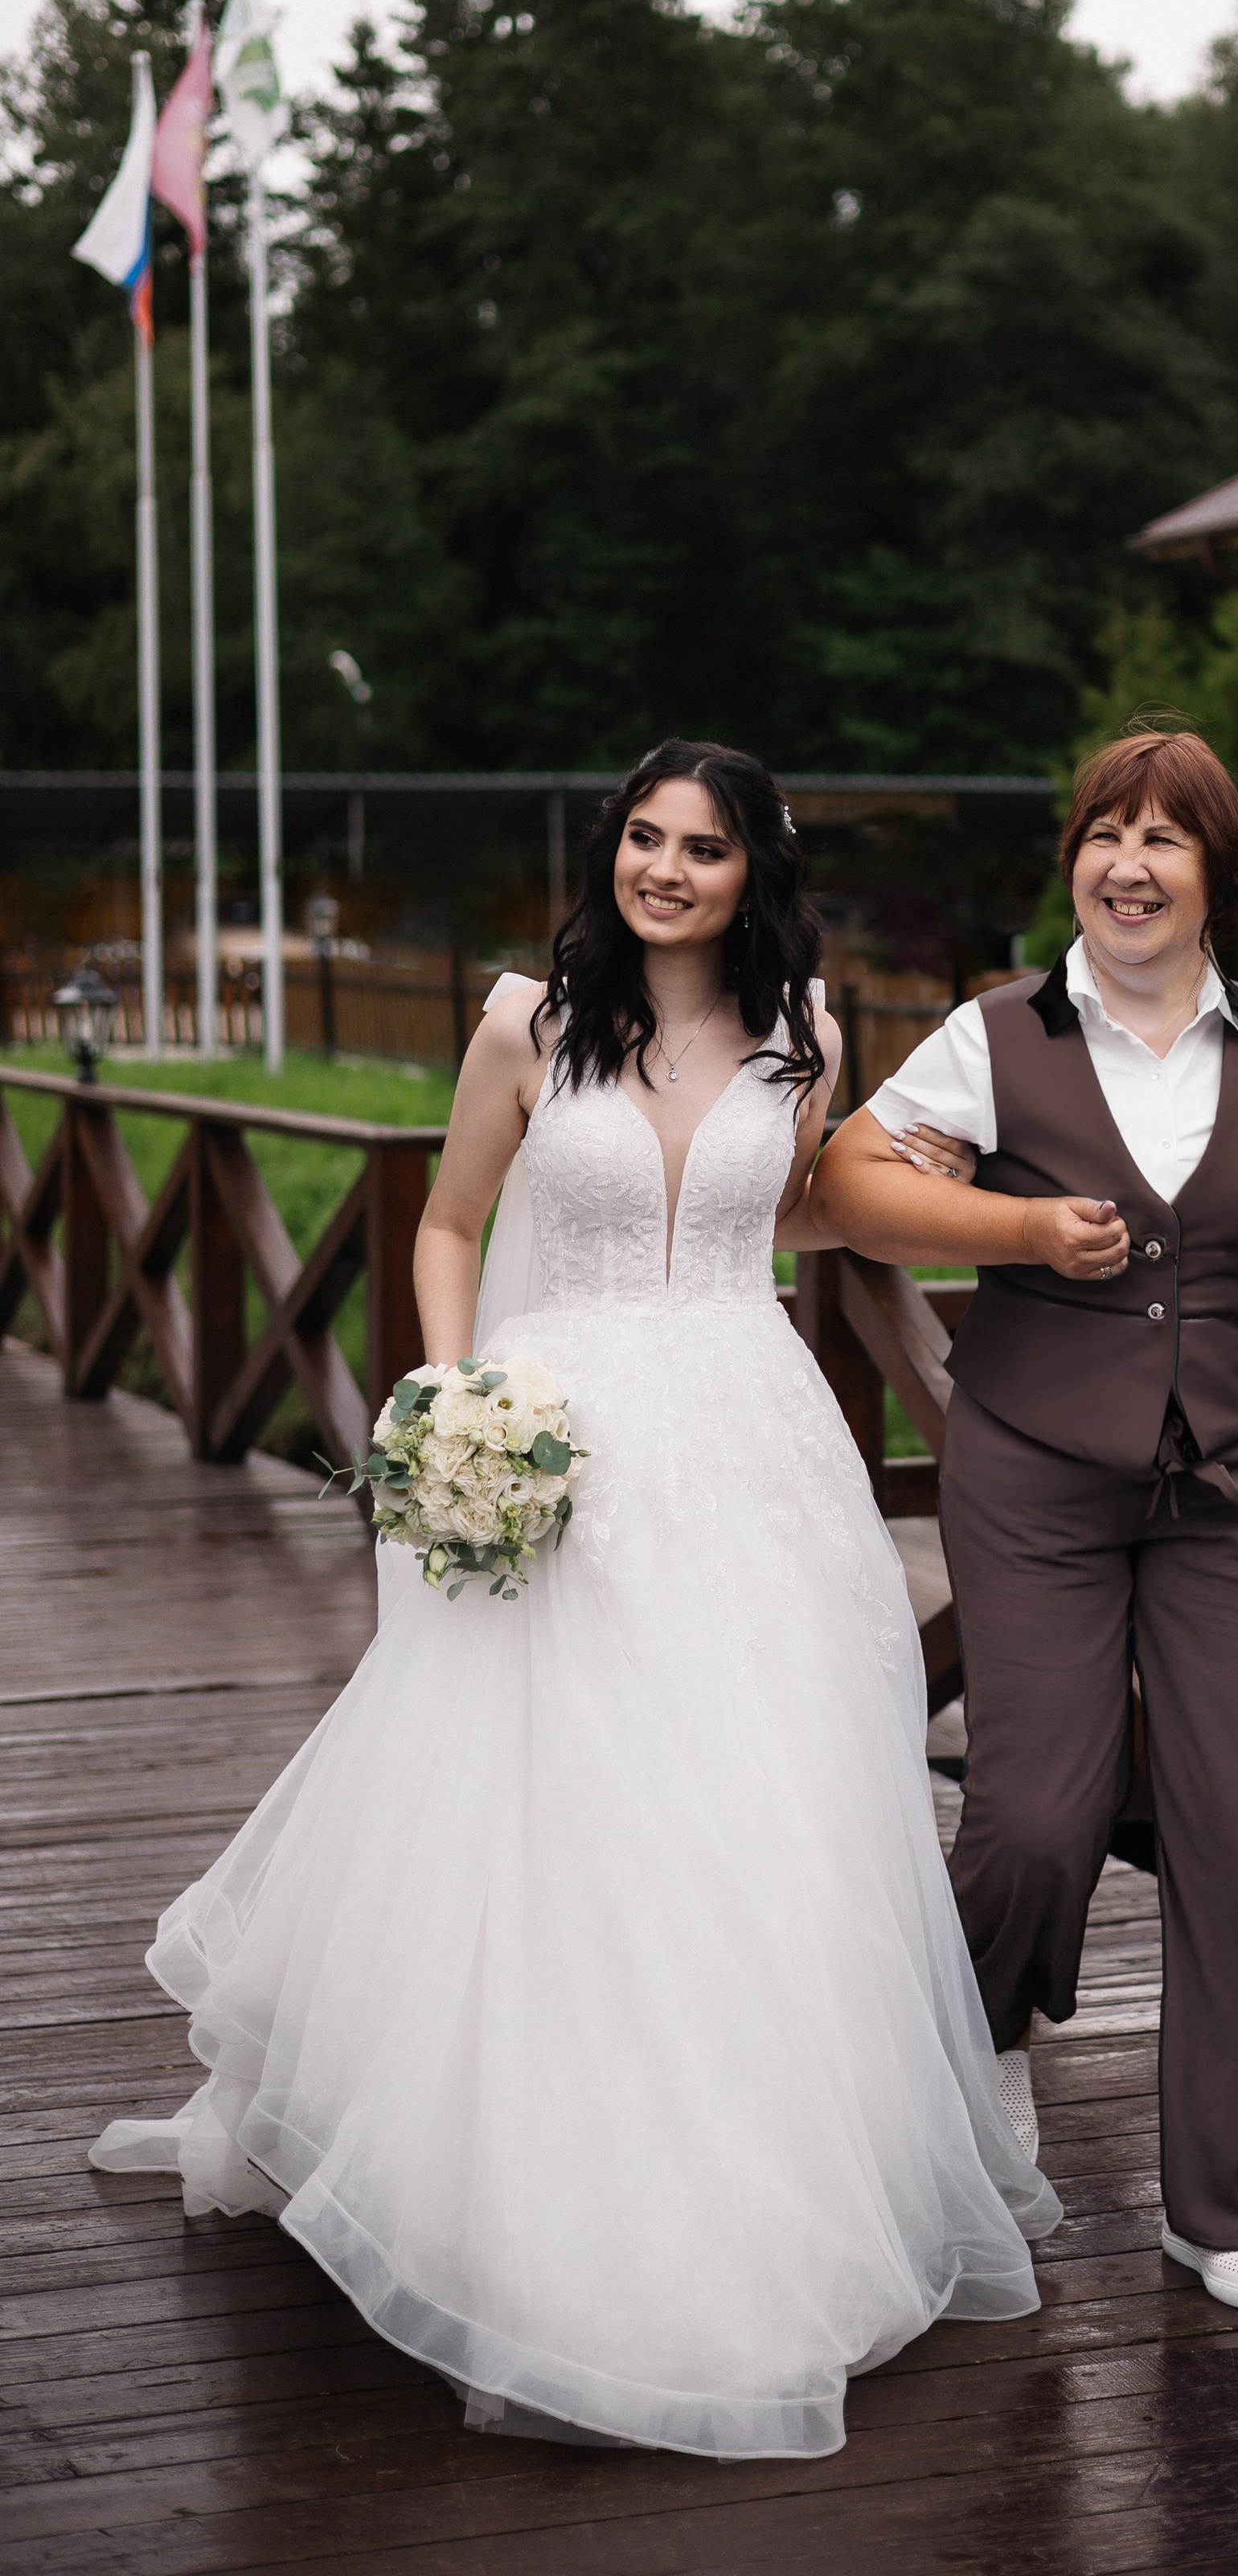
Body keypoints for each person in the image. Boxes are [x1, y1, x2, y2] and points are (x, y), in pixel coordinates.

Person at [88, 738, 1058, 2459]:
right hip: (562, 1447)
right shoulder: (526, 1024)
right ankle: (522, 2197)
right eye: (639, 837)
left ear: (754, 869)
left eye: (698, 847)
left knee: (764, 1808)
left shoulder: (809, 1035)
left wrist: (1032, 1235)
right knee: (549, 1808)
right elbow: (450, 1226)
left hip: (754, 1453)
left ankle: (758, 2186)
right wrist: (453, 1398)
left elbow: (827, 1213)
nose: (662, 870)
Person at [812, 727, 1238, 2316]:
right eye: (1105, 832)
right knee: (1036, 1817)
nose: (1126, 863)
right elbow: (850, 1185)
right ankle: (967, 2064)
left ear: (1215, 876)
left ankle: (1223, 2201)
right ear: (1074, 868)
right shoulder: (997, 1034)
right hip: (1032, 1467)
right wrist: (1017, 1225)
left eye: (1164, 839)